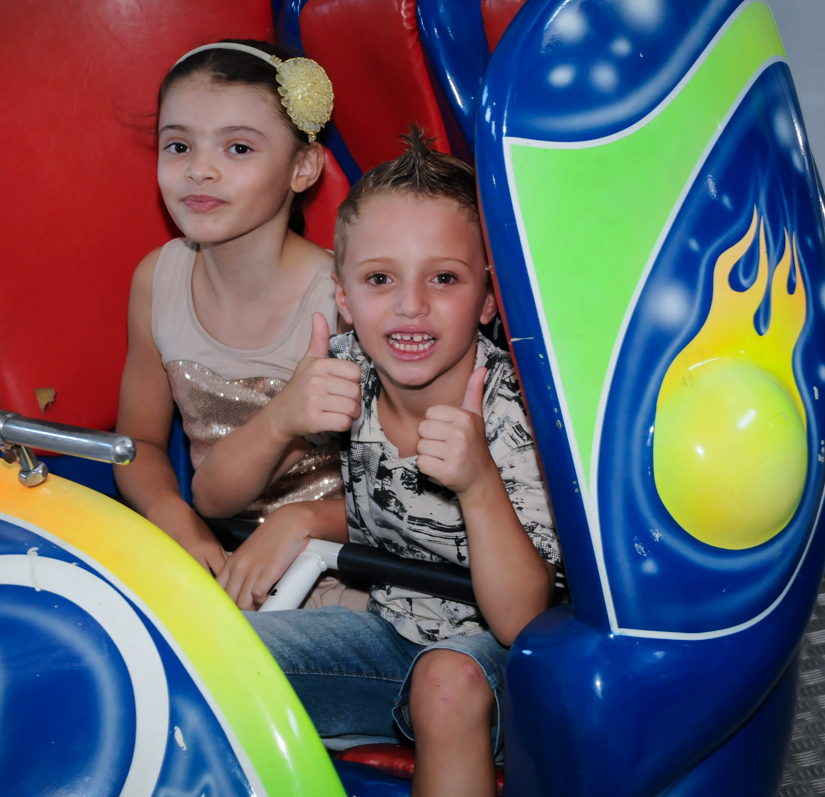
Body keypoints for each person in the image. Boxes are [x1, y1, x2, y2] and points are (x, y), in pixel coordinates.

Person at [209, 127, 561, 796]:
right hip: (389, 633)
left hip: (502, 664)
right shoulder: (346, 366)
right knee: (210, 651)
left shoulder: (512, 412)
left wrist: (480, 480)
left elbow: (523, 619)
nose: (410, 304)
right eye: (379, 278)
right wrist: (284, 416)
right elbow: (214, 496)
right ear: (342, 297)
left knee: (445, 684)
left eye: (444, 278)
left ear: (488, 298)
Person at [114, 40, 352, 602]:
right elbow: (139, 442)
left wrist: (306, 525)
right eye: (178, 146)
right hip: (217, 548)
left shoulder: (345, 299)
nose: (199, 170)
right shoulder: (158, 278)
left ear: (302, 166)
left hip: (344, 567)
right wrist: (170, 513)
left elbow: (411, 491)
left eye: (238, 148)